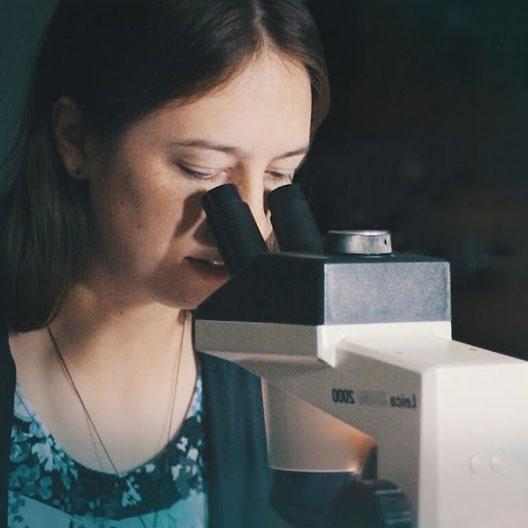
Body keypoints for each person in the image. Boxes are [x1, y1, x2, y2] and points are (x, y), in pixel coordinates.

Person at [0, 1, 358, 527]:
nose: (252, 221)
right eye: (202, 168)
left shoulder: (273, 385)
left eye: (281, 177)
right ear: (76, 139)